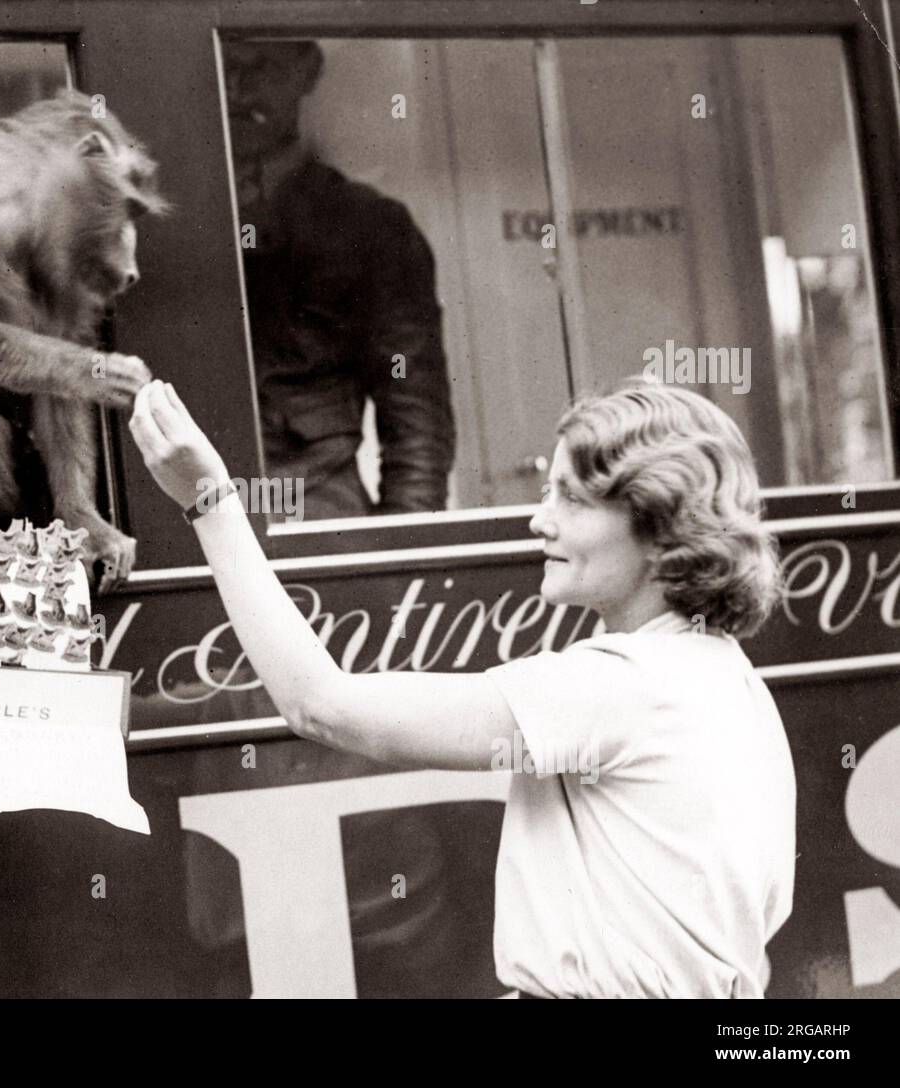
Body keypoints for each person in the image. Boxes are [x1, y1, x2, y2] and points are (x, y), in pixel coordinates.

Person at [130, 377, 796, 998]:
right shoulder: (732, 683)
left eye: (572, 498)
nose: (542, 520)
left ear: (659, 529)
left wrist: (210, 500)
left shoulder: (621, 686)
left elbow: (322, 706)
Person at [223, 39, 456, 519]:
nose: (237, 90)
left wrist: (402, 563)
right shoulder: (148, 223)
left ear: (307, 71)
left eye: (261, 66)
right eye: (224, 67)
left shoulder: (369, 227)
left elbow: (414, 419)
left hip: (314, 513)